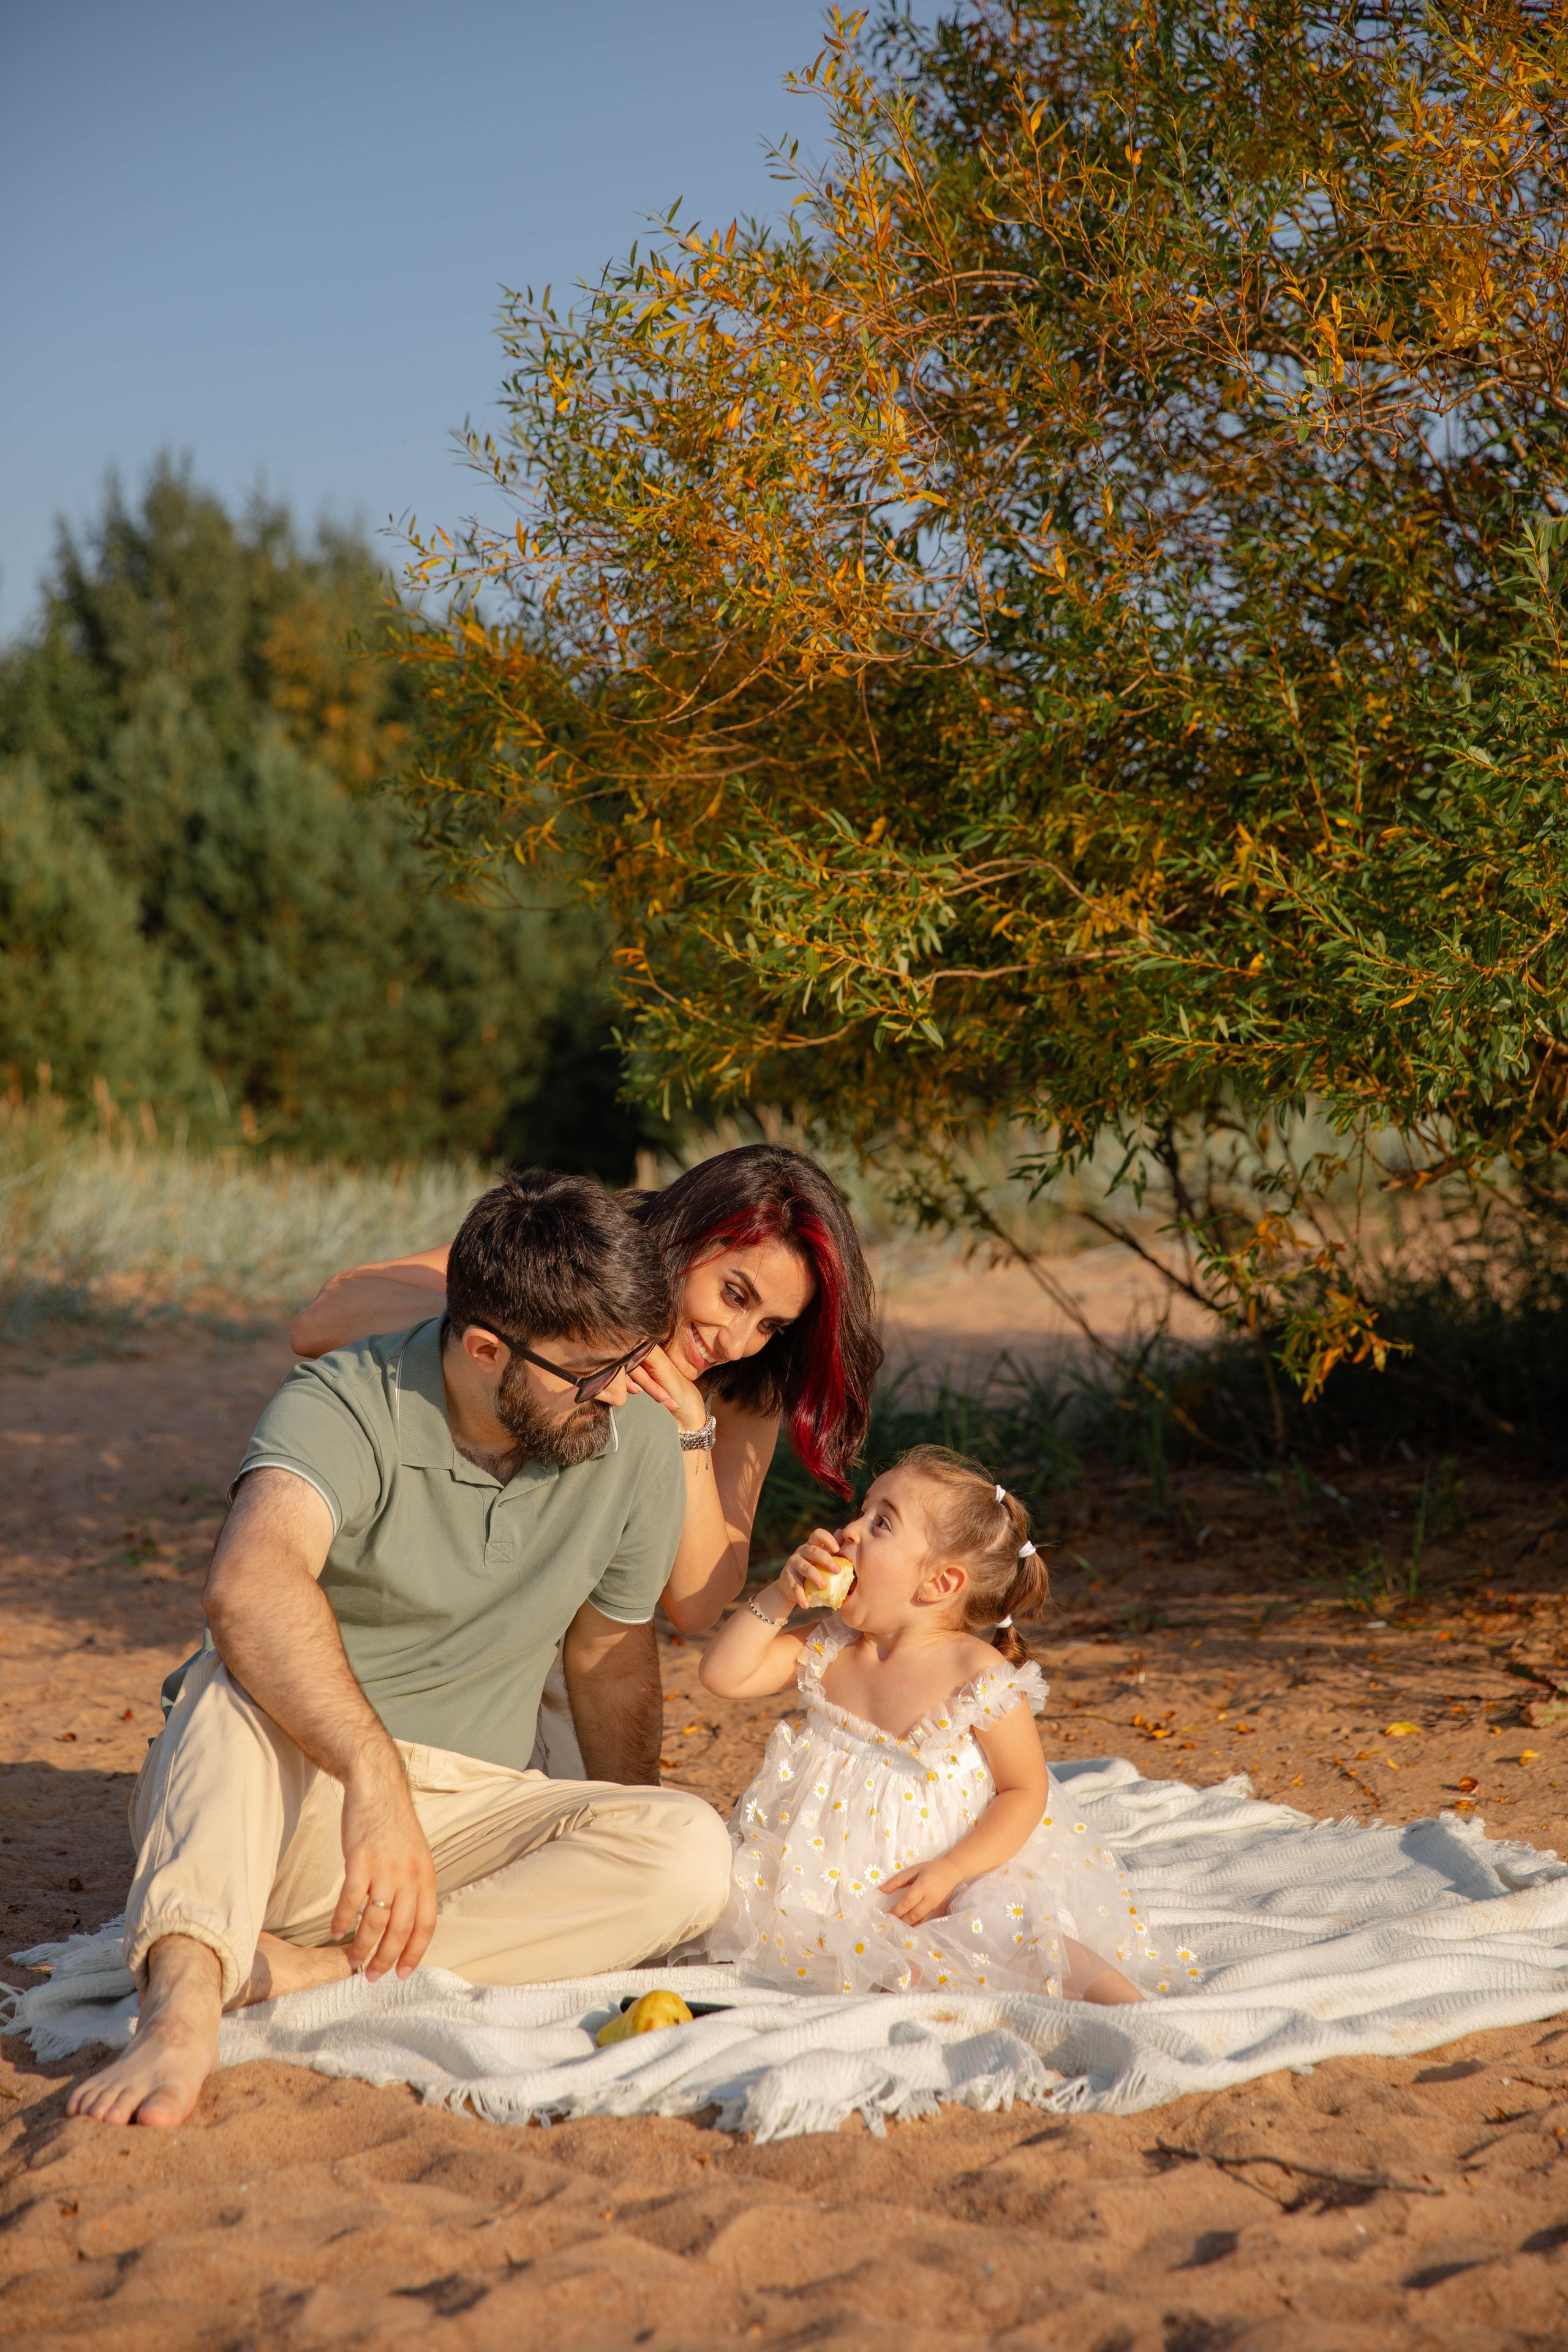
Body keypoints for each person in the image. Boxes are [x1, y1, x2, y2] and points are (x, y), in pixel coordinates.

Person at [67, 1170, 734, 2131]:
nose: (622, 1392)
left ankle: (304, 1973)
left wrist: (620, 1840)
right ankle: (179, 2009)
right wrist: (370, 1771)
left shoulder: (627, 1437)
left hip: (460, 1839)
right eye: (593, 1371)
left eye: (631, 1361)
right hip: (287, 1799)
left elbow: (609, 1658)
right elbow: (249, 1581)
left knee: (688, 1848)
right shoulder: (347, 1398)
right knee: (229, 1679)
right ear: (483, 1348)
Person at [290, 1144, 884, 1770]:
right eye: (735, 1294)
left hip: (567, 1642)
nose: (737, 1341)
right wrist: (564, 1335)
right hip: (407, 1596)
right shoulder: (591, 1246)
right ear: (688, 1239)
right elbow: (321, 1321)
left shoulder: (745, 1384)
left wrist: (687, 1426)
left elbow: (698, 1603)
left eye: (771, 1325)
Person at [697, 1445, 1198, 2001]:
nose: (850, 1531)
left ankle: (1134, 2009)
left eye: (881, 1522)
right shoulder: (828, 1647)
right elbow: (724, 1675)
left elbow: (1023, 1789)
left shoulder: (973, 1672)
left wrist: (954, 1869)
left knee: (1015, 1934)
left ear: (939, 1583)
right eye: (862, 1511)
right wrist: (778, 1596)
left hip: (951, 1878)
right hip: (830, 1881)